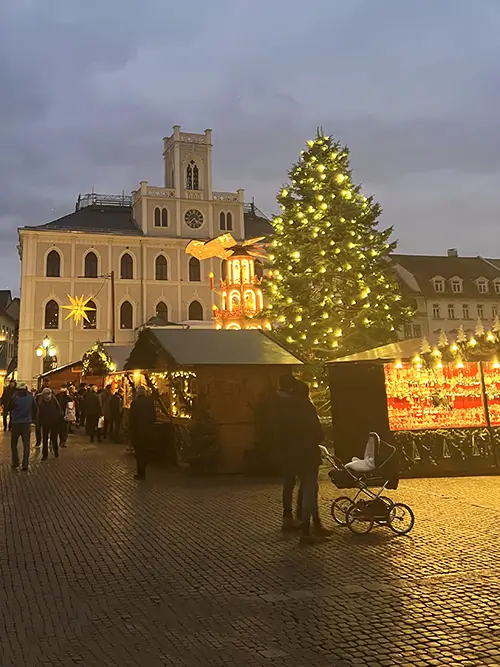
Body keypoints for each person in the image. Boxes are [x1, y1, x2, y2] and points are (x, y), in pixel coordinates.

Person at [275, 375, 332, 545]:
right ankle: (307, 529)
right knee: (309, 489)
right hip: (307, 454)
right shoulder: (307, 407)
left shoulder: (283, 407)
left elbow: (278, 432)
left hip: (289, 455)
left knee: (290, 484)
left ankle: (290, 517)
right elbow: (317, 432)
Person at [275, 374, 303, 530]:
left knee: (289, 483)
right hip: (294, 448)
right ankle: (298, 516)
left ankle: (288, 516)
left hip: (285, 449)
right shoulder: (291, 404)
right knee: (304, 481)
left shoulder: (277, 402)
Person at [129, 386, 156, 480]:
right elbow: (153, 417)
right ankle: (144, 465)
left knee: (139, 451)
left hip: (138, 431)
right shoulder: (150, 403)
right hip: (148, 430)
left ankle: (141, 472)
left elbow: (132, 418)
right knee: (146, 449)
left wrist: (131, 429)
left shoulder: (135, 403)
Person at [9, 382, 36, 470]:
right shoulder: (30, 397)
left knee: (14, 444)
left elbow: (9, 407)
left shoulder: (15, 397)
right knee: (26, 445)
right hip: (26, 423)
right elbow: (35, 408)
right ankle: (25, 464)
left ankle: (15, 461)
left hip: (16, 423)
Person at [37, 387, 62, 460]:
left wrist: (39, 424)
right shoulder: (54, 400)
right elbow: (59, 410)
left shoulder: (41, 402)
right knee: (52, 438)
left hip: (47, 423)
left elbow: (39, 414)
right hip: (53, 422)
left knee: (45, 439)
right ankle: (55, 453)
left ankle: (46, 455)